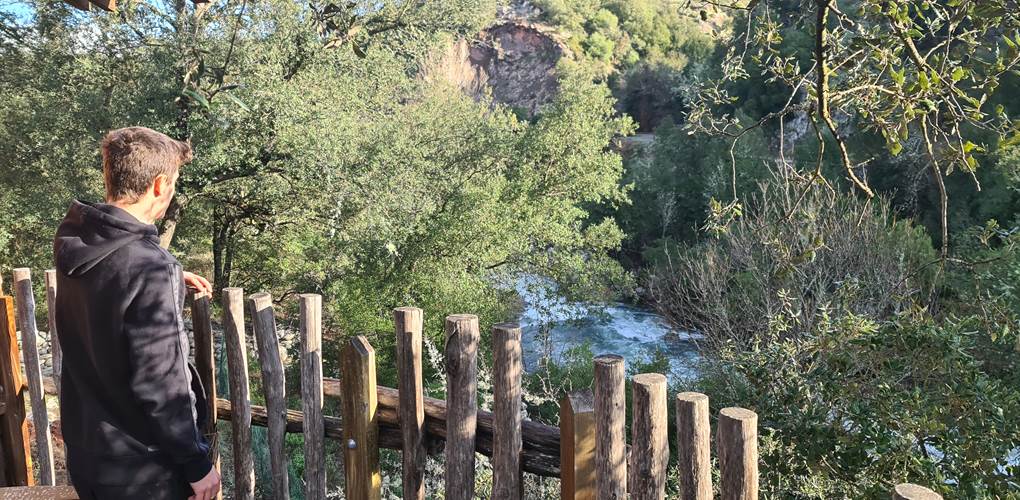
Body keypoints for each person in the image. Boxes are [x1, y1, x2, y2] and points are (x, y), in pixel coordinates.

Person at [53, 126, 221, 500]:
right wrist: (196, 465)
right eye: (175, 183)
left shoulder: (76, 240)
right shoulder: (148, 268)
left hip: (89, 456)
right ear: (160, 185)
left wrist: (169, 277)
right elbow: (161, 384)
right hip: (143, 472)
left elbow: (109, 287)